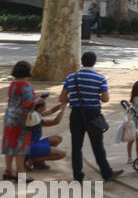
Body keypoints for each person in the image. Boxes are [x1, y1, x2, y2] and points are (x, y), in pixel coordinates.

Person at [60, 51, 118, 183]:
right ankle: (106, 173)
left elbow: (62, 98)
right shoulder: (100, 78)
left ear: (82, 61)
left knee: (76, 146)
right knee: (98, 146)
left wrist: (75, 99)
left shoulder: (71, 78)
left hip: (75, 114)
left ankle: (78, 176)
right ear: (94, 62)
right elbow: (105, 99)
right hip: (93, 116)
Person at [3, 61, 38, 182]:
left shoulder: (13, 84)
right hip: (21, 120)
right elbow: (29, 103)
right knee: (20, 148)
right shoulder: (25, 86)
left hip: (9, 118)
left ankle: (8, 171)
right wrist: (37, 101)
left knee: (9, 144)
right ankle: (20, 174)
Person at [25, 95, 67, 172]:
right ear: (40, 108)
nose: (46, 107)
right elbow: (55, 121)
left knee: (57, 138)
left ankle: (38, 162)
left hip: (33, 144)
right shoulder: (35, 118)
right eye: (44, 105)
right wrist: (62, 111)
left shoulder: (35, 113)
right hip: (31, 147)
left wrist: (62, 104)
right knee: (62, 154)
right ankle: (35, 160)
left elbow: (51, 111)